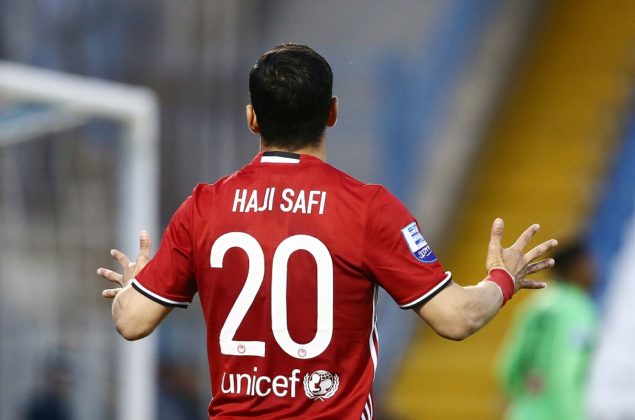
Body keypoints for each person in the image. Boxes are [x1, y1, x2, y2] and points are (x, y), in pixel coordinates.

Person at [97, 43, 558, 419]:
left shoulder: (204, 207)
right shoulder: (368, 209)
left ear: (252, 118)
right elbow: (457, 317)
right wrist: (503, 279)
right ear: (332, 112)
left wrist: (134, 288)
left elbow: (131, 320)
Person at [497, 241, 598, 420]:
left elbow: (510, 365)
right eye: (588, 262)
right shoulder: (577, 309)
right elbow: (568, 369)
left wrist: (521, 389)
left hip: (525, 412)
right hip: (558, 414)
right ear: (574, 267)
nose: (594, 269)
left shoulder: (535, 304)